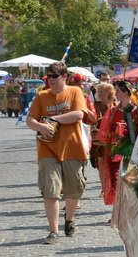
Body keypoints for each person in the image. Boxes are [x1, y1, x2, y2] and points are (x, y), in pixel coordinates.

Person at [27, 62, 96, 244]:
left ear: (64, 77)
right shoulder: (42, 96)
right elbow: (30, 119)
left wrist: (53, 119)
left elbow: (79, 115)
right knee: (50, 189)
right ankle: (53, 231)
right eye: (48, 76)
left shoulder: (74, 92)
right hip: (47, 149)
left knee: (74, 189)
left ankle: (69, 219)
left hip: (72, 147)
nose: (50, 80)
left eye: (54, 76)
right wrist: (40, 126)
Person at [91, 81, 127, 210]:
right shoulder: (97, 106)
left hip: (117, 143)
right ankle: (104, 189)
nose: (100, 94)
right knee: (101, 164)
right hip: (101, 140)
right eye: (99, 91)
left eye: (103, 91)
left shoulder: (115, 107)